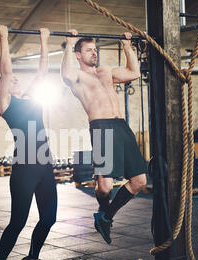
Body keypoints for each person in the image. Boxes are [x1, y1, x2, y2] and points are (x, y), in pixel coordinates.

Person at [0, 25, 57, 260]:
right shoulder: (5, 103)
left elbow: (42, 72)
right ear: (3, 88)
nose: (16, 80)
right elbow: (5, 72)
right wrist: (4, 38)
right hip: (24, 169)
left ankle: (31, 259)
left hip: (45, 166)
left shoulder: (30, 99)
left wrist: (44, 39)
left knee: (49, 219)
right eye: (12, 80)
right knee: (18, 221)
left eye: (17, 79)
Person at [61, 30, 147, 245]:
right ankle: (103, 212)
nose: (94, 53)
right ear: (78, 55)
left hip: (121, 126)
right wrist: (69, 44)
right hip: (102, 127)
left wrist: (127, 46)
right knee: (106, 187)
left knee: (139, 181)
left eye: (95, 49)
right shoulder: (77, 77)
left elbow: (134, 73)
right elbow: (66, 74)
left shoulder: (106, 71)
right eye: (88, 50)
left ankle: (106, 217)